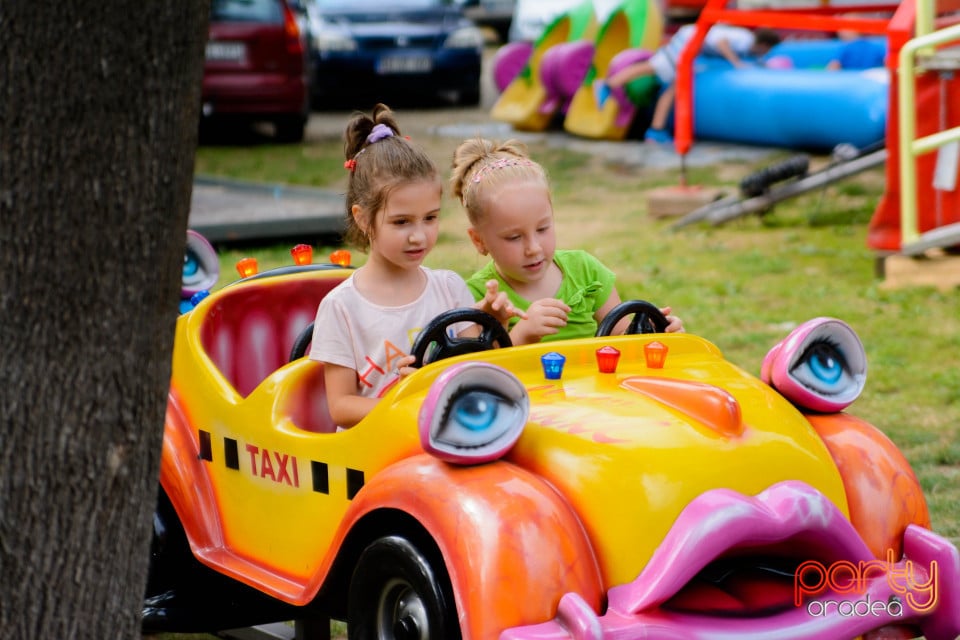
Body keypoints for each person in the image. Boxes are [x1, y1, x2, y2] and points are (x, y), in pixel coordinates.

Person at [309, 105, 523, 429]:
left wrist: (493, 325)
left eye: (430, 218)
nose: (418, 236)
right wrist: (404, 401)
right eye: (402, 222)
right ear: (363, 218)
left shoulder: (449, 289)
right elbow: (341, 406)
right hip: (372, 454)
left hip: (446, 439)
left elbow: (476, 370)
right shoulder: (341, 307)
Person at [450, 137, 684, 346]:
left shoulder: (585, 270)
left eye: (542, 228)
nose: (534, 248)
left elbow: (621, 337)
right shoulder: (477, 296)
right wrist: (522, 335)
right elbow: (477, 370)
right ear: (479, 241)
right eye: (514, 237)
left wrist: (654, 333)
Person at [602, 24, 782, 144]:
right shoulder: (746, 39)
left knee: (668, 82)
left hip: (688, 38)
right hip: (687, 42)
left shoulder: (746, 42)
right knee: (656, 70)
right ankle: (609, 85)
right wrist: (736, 63)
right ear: (764, 44)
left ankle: (655, 130)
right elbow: (721, 42)